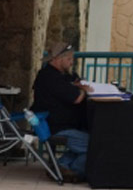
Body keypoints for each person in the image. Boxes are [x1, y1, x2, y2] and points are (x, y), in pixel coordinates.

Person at [31, 42, 90, 180]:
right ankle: (69, 169)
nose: (71, 63)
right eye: (69, 59)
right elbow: (76, 98)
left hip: (64, 124)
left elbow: (74, 82)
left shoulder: (61, 75)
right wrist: (84, 90)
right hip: (57, 127)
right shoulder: (50, 77)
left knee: (92, 141)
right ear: (58, 59)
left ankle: (61, 165)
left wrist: (78, 84)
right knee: (95, 144)